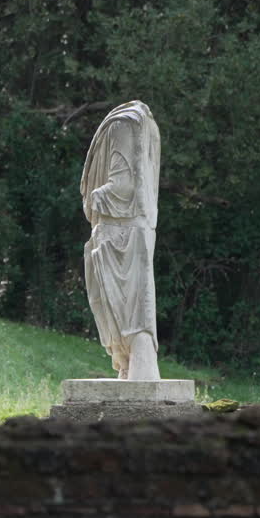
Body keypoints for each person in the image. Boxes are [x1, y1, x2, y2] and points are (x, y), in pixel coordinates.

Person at [80, 100, 161, 380]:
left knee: (123, 304)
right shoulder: (145, 125)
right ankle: (128, 365)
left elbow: (122, 185)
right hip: (136, 228)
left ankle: (134, 365)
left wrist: (94, 197)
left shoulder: (120, 125)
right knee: (130, 304)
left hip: (119, 230)